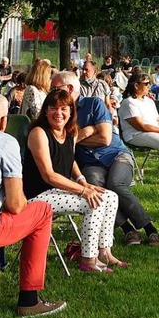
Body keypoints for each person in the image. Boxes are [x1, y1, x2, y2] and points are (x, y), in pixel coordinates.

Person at [52, 71, 159, 248]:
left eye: (55, 88)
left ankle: (149, 228)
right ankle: (128, 230)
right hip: (89, 163)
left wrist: (75, 138)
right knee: (95, 186)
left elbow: (105, 139)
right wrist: (87, 131)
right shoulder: (58, 112)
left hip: (117, 155)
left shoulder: (93, 103)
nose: (52, 93)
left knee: (115, 184)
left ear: (69, 88)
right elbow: (62, 144)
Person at [0, 93, 67, 317]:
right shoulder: (4, 141)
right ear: (3, 121)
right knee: (41, 210)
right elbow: (16, 205)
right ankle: (29, 300)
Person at [23, 89, 125, 273]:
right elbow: (48, 175)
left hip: (56, 191)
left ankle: (104, 252)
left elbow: (70, 161)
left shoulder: (70, 132)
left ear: (71, 111)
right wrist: (82, 191)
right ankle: (88, 259)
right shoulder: (38, 133)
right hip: (38, 195)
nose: (59, 113)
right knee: (94, 203)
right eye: (53, 108)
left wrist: (82, 181)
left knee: (110, 197)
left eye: (64, 109)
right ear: (45, 111)